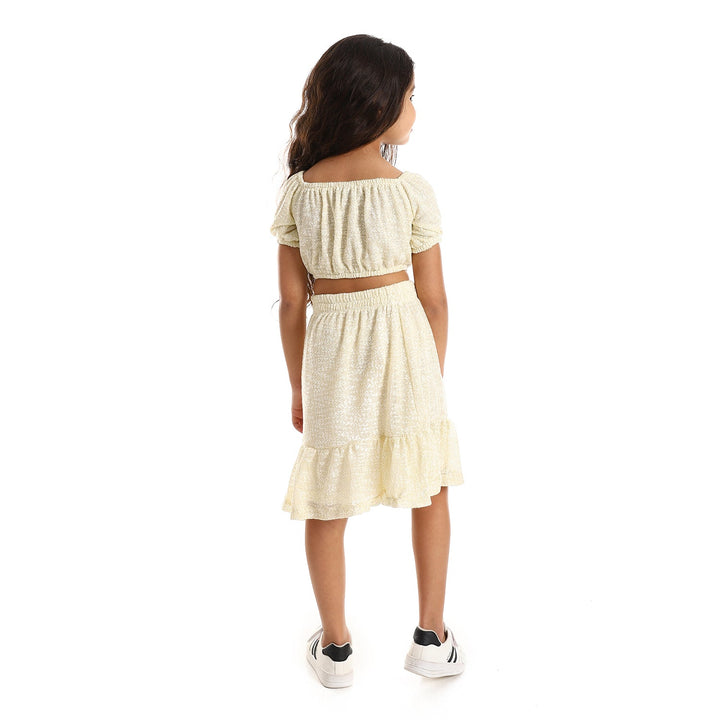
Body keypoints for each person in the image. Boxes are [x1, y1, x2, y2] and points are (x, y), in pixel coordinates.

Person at [270, 34, 466, 688]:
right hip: (406, 346)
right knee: (430, 486)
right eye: (410, 98)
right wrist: (431, 376)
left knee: (327, 500)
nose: (415, 111)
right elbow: (434, 301)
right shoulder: (410, 191)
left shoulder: (300, 192)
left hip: (331, 354)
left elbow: (291, 304)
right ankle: (431, 638)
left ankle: (335, 649)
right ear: (379, 104)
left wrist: (298, 386)